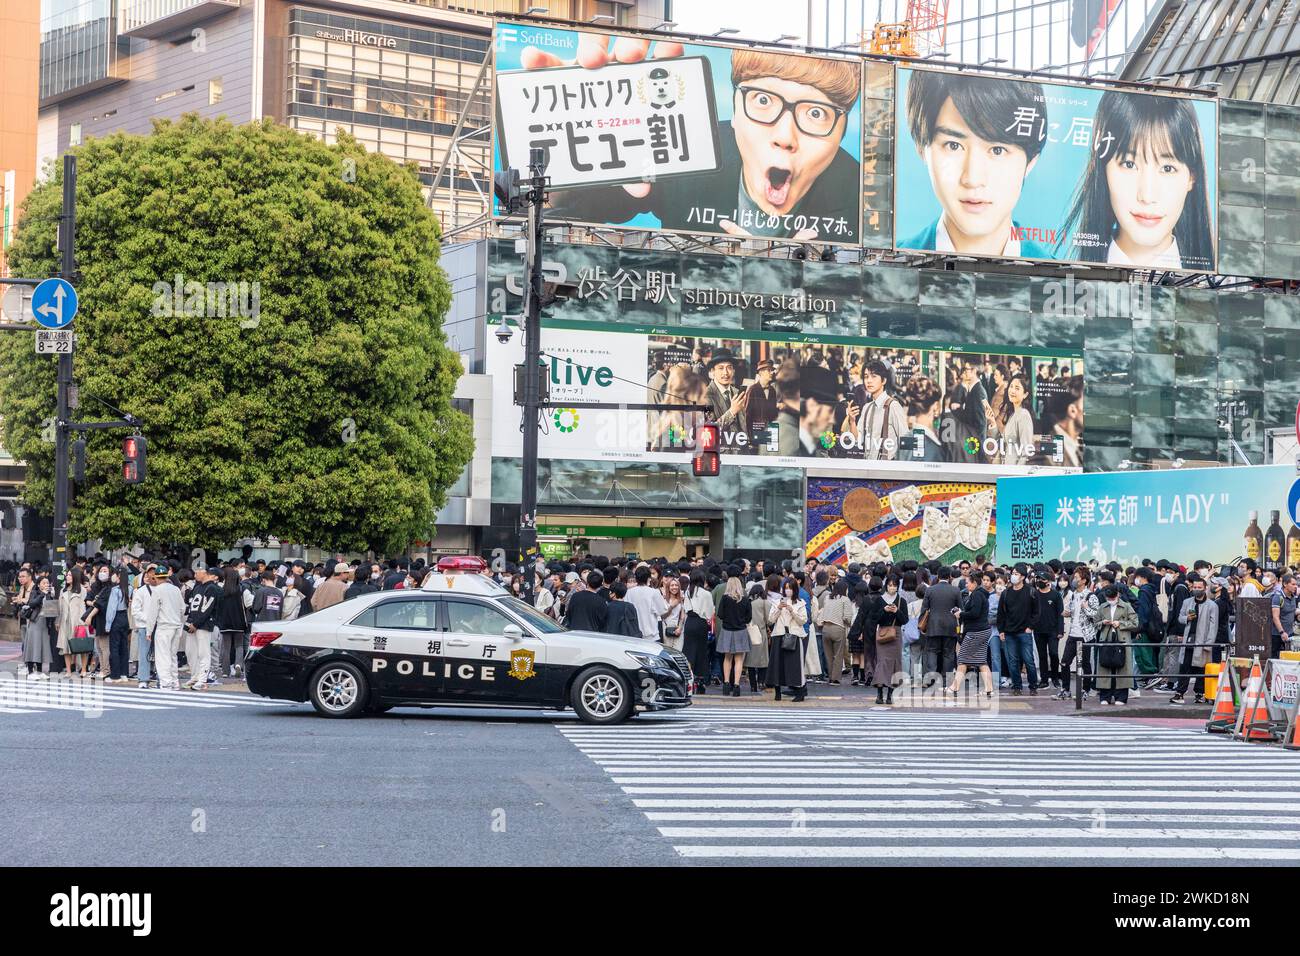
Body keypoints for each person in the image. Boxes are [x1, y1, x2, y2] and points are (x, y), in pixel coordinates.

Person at [543, 43, 862, 242]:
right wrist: (579, 119)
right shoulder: (692, 150)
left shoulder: (859, 199)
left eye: (816, 113)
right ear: (735, 111)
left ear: (841, 133)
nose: (784, 137)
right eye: (763, 100)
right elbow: (570, 212)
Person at [898, 70, 1051, 257]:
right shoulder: (884, 269)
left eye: (997, 150)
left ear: (1031, 160)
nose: (972, 179)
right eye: (953, 146)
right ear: (922, 148)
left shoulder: (1066, 281)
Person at [1059, 90, 1214, 270]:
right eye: (1129, 164)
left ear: (1191, 177)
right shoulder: (1062, 281)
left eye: (1167, 168)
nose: (1146, 195)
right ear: (1103, 168)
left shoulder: (1226, 285)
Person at [1173, 574, 1218, 705]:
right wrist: (1187, 618)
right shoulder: (1187, 602)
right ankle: (1179, 693)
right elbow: (1180, 617)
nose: (1197, 589)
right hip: (1189, 638)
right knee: (1184, 666)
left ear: (1205, 588)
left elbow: (1213, 626)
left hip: (1202, 640)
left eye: (1200, 587)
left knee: (1201, 667)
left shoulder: (1212, 605)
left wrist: (1208, 644)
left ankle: (1199, 694)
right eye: (1195, 587)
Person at [1091, 583, 1139, 705]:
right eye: (1108, 598)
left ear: (1118, 595)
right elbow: (1095, 623)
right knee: (1105, 667)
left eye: (1112, 598)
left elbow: (1135, 623)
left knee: (1122, 667)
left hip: (1121, 639)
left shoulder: (1127, 606)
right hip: (1106, 639)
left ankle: (1121, 697)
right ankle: (1105, 696)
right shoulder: (1102, 607)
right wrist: (1103, 622)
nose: (1111, 600)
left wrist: (1121, 624)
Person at [948, 571, 994, 698]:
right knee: (981, 661)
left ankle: (954, 687)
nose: (966, 585)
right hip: (982, 630)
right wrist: (962, 612)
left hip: (976, 631)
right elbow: (975, 612)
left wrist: (960, 614)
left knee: (962, 659)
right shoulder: (980, 594)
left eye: (968, 583)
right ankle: (989, 689)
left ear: (974, 583)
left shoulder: (977, 595)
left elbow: (974, 613)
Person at [995, 563, 1039, 695]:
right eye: (1013, 573)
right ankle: (1017, 686)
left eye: (1016, 574)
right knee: (1012, 661)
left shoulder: (1031, 591)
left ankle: (1033, 686)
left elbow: (1036, 613)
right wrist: (1001, 630)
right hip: (1009, 633)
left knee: (1028, 660)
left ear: (1023, 577)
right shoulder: (1006, 593)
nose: (1013, 576)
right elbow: (1000, 614)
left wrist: (1030, 627)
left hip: (1024, 632)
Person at [145, 565, 186, 692]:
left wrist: (149, 630)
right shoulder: (175, 589)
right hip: (176, 626)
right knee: (172, 655)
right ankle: (174, 682)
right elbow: (182, 608)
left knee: (162, 656)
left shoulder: (157, 590)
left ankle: (166, 682)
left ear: (156, 577)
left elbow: (153, 612)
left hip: (164, 627)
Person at [918, 565, 961, 684]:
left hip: (933, 626)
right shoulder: (955, 590)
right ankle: (946, 679)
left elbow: (924, 609)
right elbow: (960, 609)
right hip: (950, 626)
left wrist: (922, 624)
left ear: (937, 575)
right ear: (950, 577)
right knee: (949, 653)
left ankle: (931, 678)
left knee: (932, 651)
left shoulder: (930, 590)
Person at [768, 576, 808, 702]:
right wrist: (779, 608)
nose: (787, 591)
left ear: (795, 589)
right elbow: (770, 620)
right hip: (779, 634)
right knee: (777, 664)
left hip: (794, 636)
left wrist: (792, 611)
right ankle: (777, 691)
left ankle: (799, 691)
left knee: (795, 665)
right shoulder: (776, 602)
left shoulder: (800, 603)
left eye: (790, 588)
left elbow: (803, 621)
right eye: (786, 588)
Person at [870, 576, 909, 704]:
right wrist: (884, 610)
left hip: (896, 634)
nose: (892, 588)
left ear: (898, 586)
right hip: (882, 633)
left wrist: (897, 611)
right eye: (890, 585)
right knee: (882, 662)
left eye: (894, 585)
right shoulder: (880, 600)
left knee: (894, 663)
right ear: (886, 585)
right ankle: (879, 694)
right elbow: (874, 618)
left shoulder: (901, 601)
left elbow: (905, 620)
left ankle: (890, 695)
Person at [714, 576, 753, 697]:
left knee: (727, 658)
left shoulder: (725, 599)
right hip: (741, 630)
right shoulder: (746, 599)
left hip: (727, 630)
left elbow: (719, 614)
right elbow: (749, 617)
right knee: (739, 660)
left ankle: (726, 684)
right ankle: (736, 685)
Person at [183, 567, 220, 691]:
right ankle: (195, 676)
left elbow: (207, 608)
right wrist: (189, 623)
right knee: (190, 651)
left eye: (197, 572)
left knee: (203, 652)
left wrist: (196, 623)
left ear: (206, 573)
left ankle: (202, 679)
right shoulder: (197, 587)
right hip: (193, 623)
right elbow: (192, 606)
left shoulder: (213, 588)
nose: (195, 575)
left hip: (204, 624)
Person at [681, 570, 715, 692]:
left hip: (690, 622)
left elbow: (685, 609)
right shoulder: (706, 594)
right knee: (701, 652)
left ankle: (688, 678)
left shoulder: (687, 592)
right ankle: (700, 680)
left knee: (689, 651)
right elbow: (710, 612)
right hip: (701, 623)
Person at [816, 579, 855, 686]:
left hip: (825, 629)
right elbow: (847, 617)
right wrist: (849, 624)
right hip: (838, 629)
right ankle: (835, 678)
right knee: (838, 655)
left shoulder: (828, 597)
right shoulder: (845, 599)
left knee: (828, 655)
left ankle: (830, 676)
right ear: (844, 589)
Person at [16, 569, 51, 680]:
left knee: (41, 647)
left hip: (44, 623)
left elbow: (52, 608)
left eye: (47, 583)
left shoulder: (49, 594)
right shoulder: (36, 592)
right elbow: (32, 603)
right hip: (35, 622)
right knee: (32, 646)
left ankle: (40, 671)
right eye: (44, 583)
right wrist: (42, 594)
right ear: (39, 584)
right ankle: (31, 671)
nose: (46, 585)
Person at [1031, 571, 1063, 689]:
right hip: (1039, 630)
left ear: (1049, 581)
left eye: (1042, 579)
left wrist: (1060, 631)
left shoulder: (1055, 595)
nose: (1040, 581)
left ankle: (1055, 677)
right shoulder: (1034, 594)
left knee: (1054, 653)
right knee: (1042, 655)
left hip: (1053, 631)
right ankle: (1044, 680)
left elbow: (1060, 614)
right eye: (1038, 579)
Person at [56, 567, 90, 678]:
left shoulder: (82, 590)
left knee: (81, 646)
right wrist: (58, 621)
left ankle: (84, 669)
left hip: (78, 622)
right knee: (65, 647)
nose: (67, 577)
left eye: (70, 575)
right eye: (67, 575)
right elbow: (60, 608)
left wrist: (84, 622)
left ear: (75, 577)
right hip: (65, 622)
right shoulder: (63, 591)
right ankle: (69, 671)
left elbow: (85, 607)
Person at [102, 566, 133, 683]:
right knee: (124, 647)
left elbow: (111, 609)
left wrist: (108, 625)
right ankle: (124, 673)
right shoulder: (129, 588)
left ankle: (115, 675)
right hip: (125, 617)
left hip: (116, 618)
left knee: (114, 647)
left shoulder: (115, 590)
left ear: (119, 576)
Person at [625, 565, 670, 642]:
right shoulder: (654, 592)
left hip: (633, 635)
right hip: (651, 635)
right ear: (649, 578)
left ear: (636, 578)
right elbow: (662, 611)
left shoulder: (629, 593)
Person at [131, 566, 156, 688]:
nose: (149, 576)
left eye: (153, 573)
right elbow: (135, 610)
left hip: (160, 626)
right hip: (144, 626)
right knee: (144, 653)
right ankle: (143, 678)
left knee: (162, 653)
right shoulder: (140, 591)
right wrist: (149, 619)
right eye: (147, 574)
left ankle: (162, 678)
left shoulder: (163, 589)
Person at [744, 582, 770, 693]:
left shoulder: (748, 602)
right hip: (761, 632)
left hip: (749, 632)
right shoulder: (765, 602)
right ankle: (761, 681)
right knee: (762, 660)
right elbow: (769, 619)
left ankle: (753, 685)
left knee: (750, 661)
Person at [661, 576, 686, 652]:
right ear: (668, 587)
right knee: (668, 652)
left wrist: (680, 628)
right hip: (666, 627)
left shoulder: (681, 599)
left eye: (676, 585)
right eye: (672, 585)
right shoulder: (663, 599)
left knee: (678, 651)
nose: (674, 587)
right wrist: (671, 606)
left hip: (678, 627)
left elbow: (682, 616)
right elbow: (662, 616)